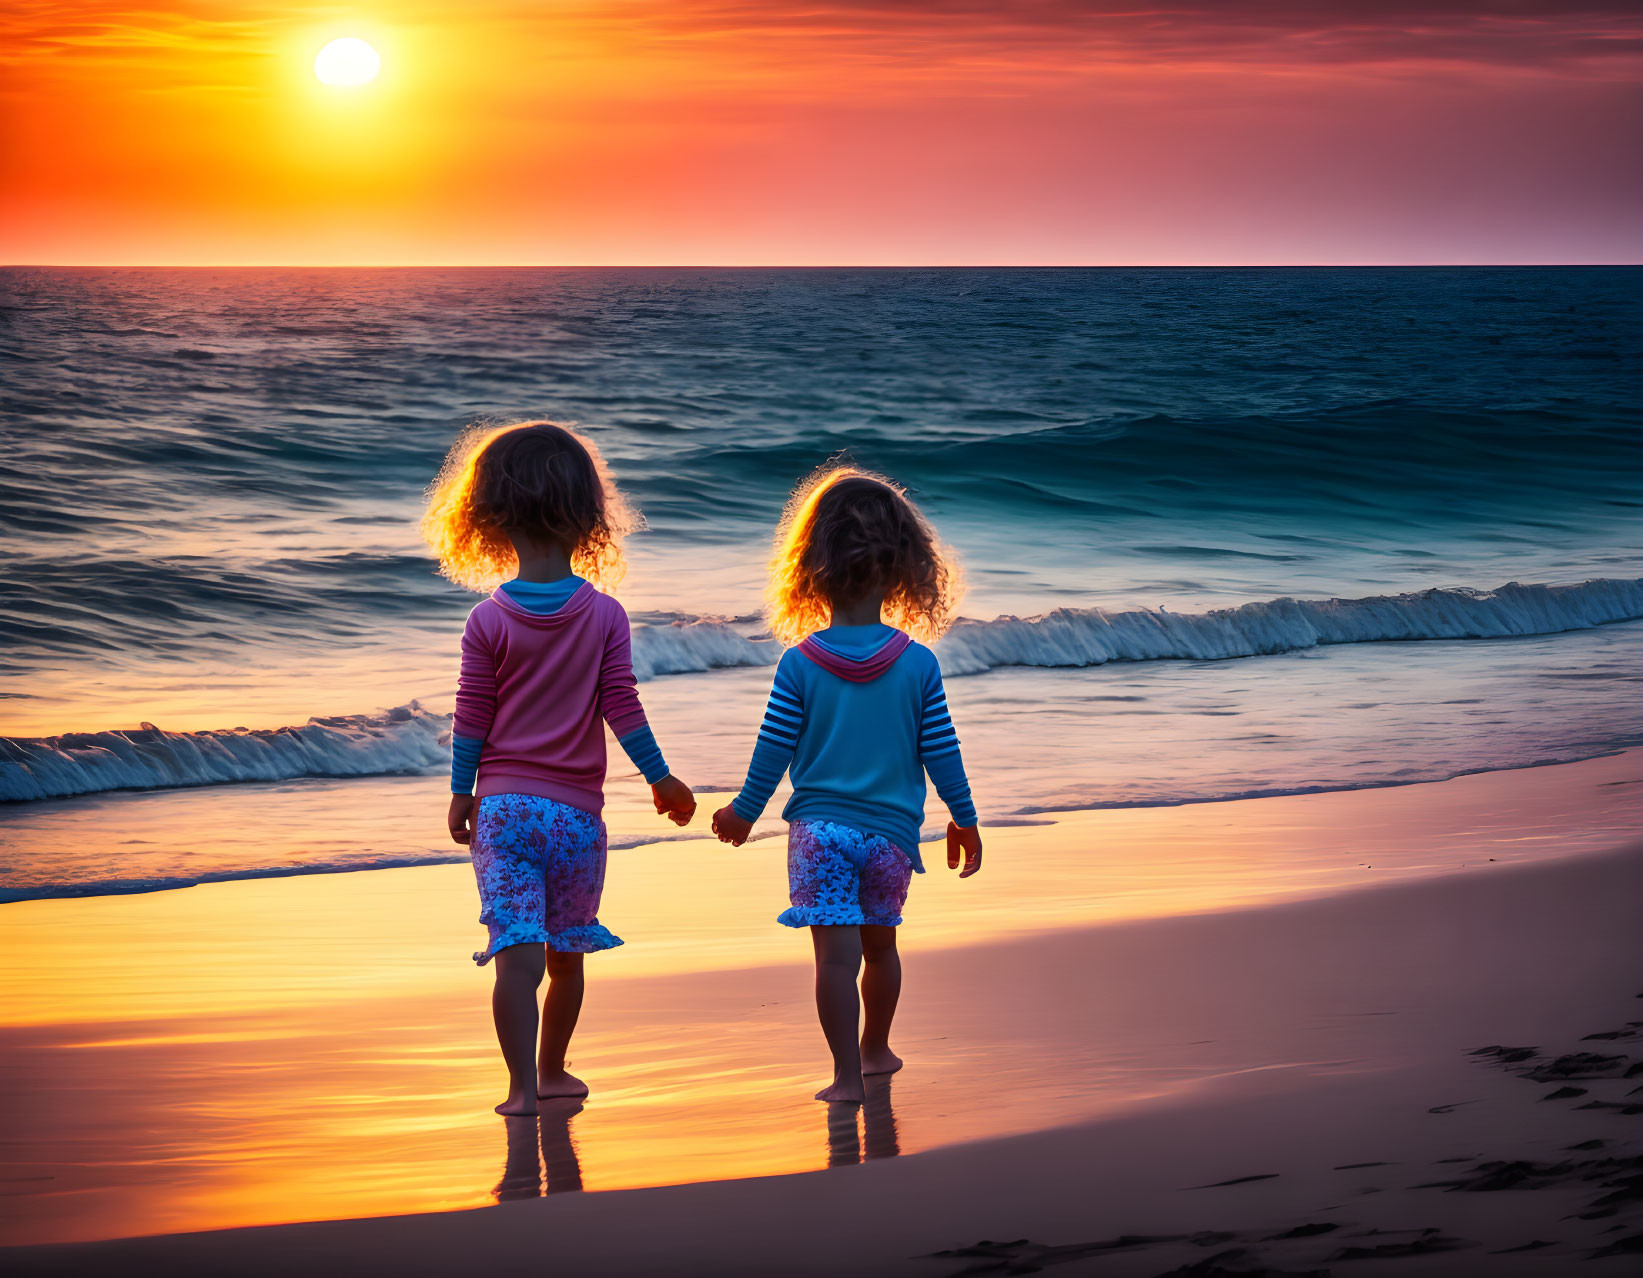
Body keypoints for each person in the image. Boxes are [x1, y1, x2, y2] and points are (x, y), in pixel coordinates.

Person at [424, 420, 695, 1115]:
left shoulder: (487, 621)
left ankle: (517, 1091)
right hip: (576, 818)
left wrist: (462, 792)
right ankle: (553, 1072)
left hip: (505, 811)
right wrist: (660, 779)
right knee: (566, 954)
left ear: (489, 518)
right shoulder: (604, 615)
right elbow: (622, 707)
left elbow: (471, 716)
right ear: (588, 518)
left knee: (516, 955)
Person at [712, 467, 981, 1101]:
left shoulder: (799, 662)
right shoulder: (918, 663)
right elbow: (941, 749)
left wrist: (744, 812)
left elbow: (773, 748)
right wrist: (963, 817)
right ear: (903, 568)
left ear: (811, 567)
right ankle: (877, 1049)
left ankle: (843, 1077)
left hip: (819, 833)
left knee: (834, 960)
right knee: (881, 950)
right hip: (890, 836)